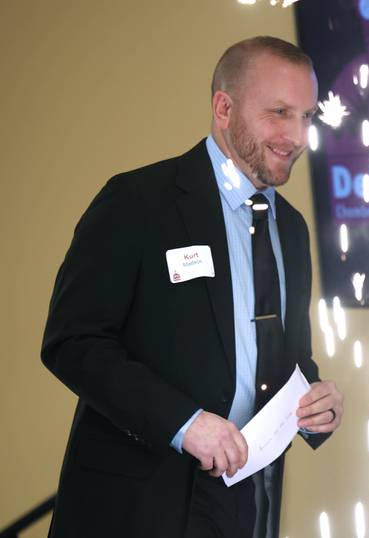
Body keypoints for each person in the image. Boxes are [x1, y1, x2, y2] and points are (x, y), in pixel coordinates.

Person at [41, 36, 343, 538]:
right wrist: (185, 423)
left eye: (308, 116)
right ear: (224, 108)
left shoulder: (291, 229)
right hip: (137, 505)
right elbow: (73, 342)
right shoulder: (137, 201)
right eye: (279, 113)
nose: (298, 136)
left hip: (248, 505)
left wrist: (315, 401)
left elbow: (287, 358)